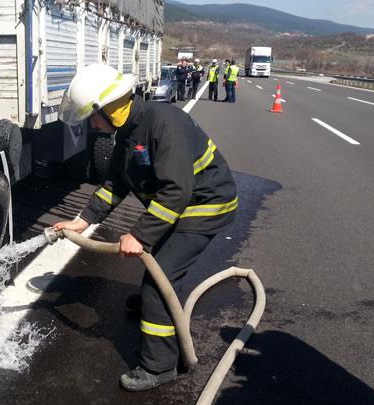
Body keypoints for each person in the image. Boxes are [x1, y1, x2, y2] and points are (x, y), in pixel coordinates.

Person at [57, 64, 238, 391]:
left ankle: (159, 366)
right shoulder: (127, 132)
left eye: (93, 117)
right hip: (181, 203)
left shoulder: (162, 123)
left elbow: (176, 191)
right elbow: (115, 184)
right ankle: (155, 306)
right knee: (156, 266)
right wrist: (81, 221)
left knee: (159, 279)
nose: (92, 125)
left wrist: (139, 235)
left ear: (110, 108)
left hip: (205, 205)